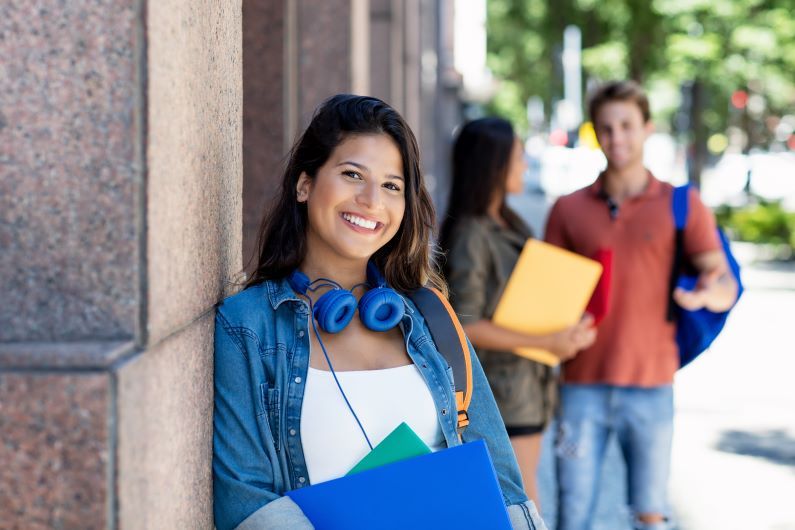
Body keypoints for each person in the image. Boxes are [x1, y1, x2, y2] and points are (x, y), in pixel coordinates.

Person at [212, 95, 547, 530]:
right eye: (353, 174)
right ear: (304, 184)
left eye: (392, 185)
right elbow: (245, 498)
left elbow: (503, 485)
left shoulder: (430, 317)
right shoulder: (248, 326)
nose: (372, 200)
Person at [544, 81, 739, 530]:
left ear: (647, 128)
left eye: (627, 126)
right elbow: (549, 297)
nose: (617, 138)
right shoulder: (568, 210)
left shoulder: (682, 205)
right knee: (572, 515)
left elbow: (722, 277)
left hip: (651, 386)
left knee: (650, 516)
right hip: (580, 386)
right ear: (596, 132)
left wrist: (709, 293)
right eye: (607, 128)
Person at [440, 117, 596, 509]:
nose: (525, 165)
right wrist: (546, 341)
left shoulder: (507, 221)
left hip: (527, 387)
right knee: (523, 504)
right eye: (518, 156)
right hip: (502, 393)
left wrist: (565, 329)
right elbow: (465, 325)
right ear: (493, 165)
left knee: (521, 499)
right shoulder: (473, 233)